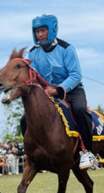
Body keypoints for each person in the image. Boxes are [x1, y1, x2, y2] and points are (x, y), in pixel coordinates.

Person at [28, 14, 97, 170]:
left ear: (52, 29)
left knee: (80, 110)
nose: (40, 34)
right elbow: (34, 76)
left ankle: (88, 152)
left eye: (43, 30)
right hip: (46, 93)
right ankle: (35, 154)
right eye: (37, 31)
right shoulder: (32, 53)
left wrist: (58, 89)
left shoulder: (67, 49)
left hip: (71, 90)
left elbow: (76, 75)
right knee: (26, 118)